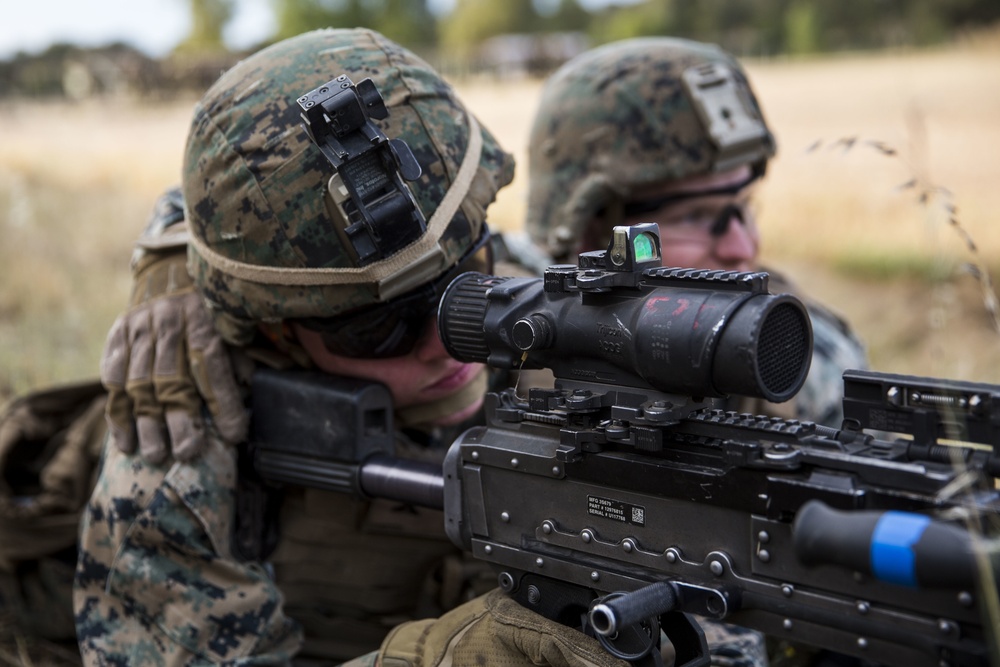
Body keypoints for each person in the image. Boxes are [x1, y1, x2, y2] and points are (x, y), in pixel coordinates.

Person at [72, 27, 531, 664]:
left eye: (468, 285)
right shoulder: (179, 432)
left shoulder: (532, 304)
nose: (443, 345)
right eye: (378, 329)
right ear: (274, 327)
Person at [520, 36, 868, 430]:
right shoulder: (503, 351)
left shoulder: (805, 362)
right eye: (696, 216)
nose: (743, 246)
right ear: (587, 233)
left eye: (745, 208)